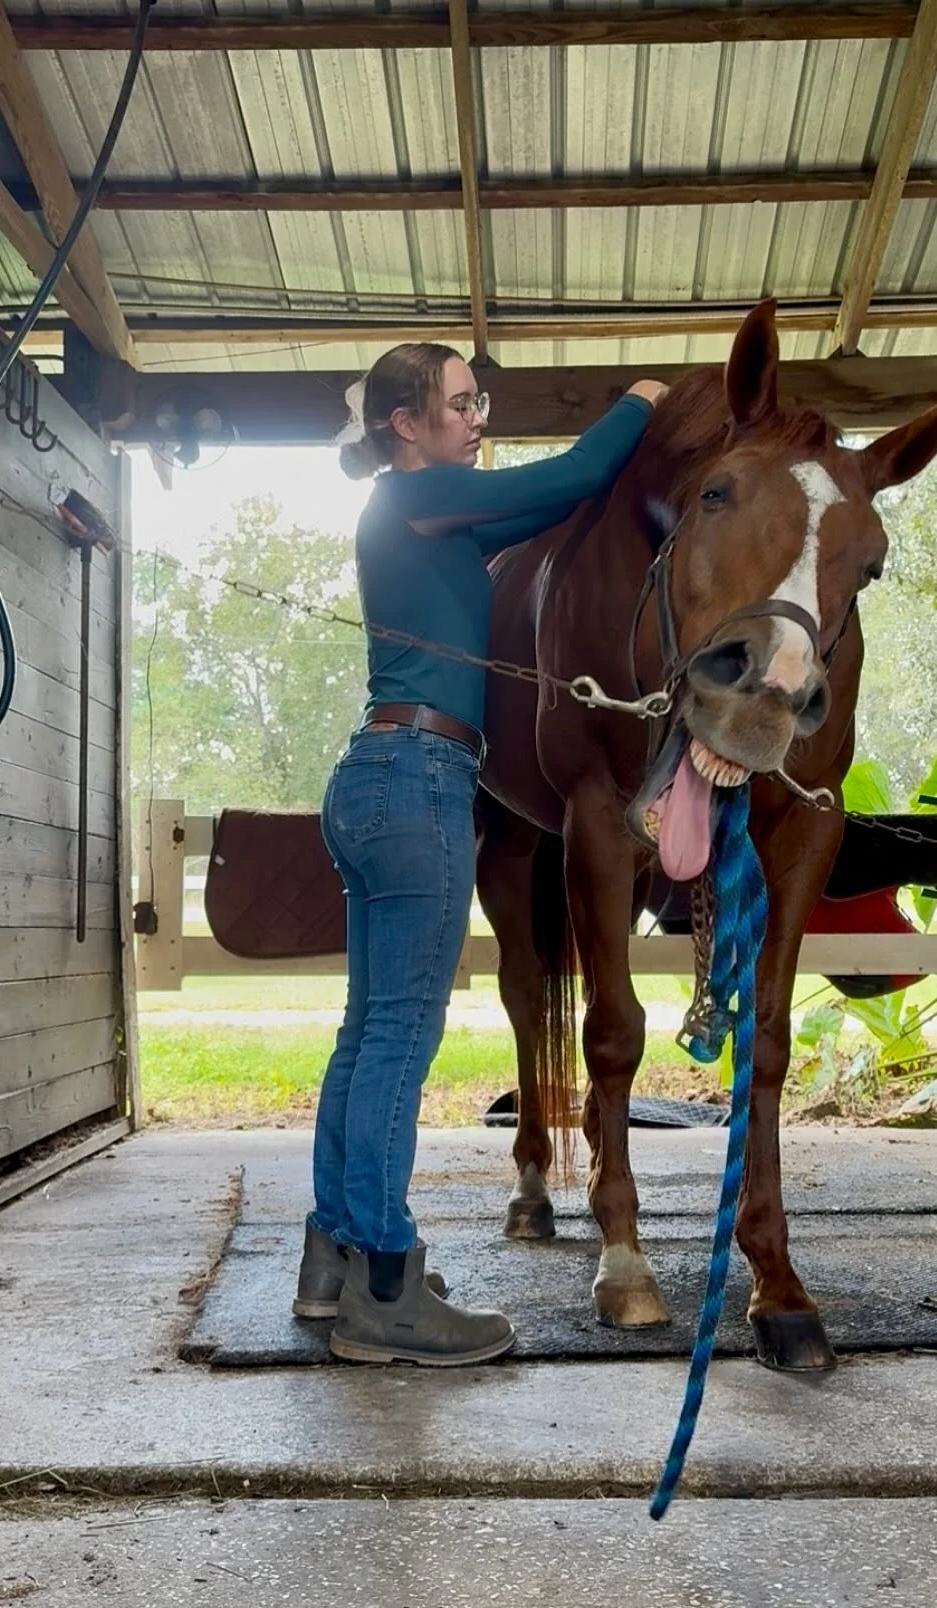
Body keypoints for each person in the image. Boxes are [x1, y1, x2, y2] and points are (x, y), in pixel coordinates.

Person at [294, 341, 667, 1366]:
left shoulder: (423, 510)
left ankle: (331, 1268)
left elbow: (548, 509)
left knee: (366, 1034)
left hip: (382, 773)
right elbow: (576, 478)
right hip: (419, 778)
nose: (477, 419)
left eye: (478, 402)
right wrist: (641, 400)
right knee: (399, 1044)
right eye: (461, 404)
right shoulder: (419, 498)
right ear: (407, 425)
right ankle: (384, 1286)